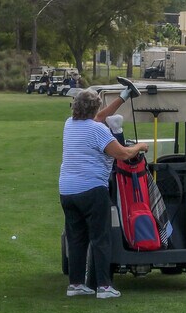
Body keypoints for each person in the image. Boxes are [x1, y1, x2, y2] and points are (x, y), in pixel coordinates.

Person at [59, 81, 147, 299]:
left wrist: (124, 96)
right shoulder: (98, 130)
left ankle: (76, 284)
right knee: (100, 238)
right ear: (94, 109)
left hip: (67, 191)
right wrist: (140, 146)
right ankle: (104, 287)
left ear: (75, 108)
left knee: (77, 238)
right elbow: (123, 154)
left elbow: (98, 116)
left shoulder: (69, 124)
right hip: (92, 189)